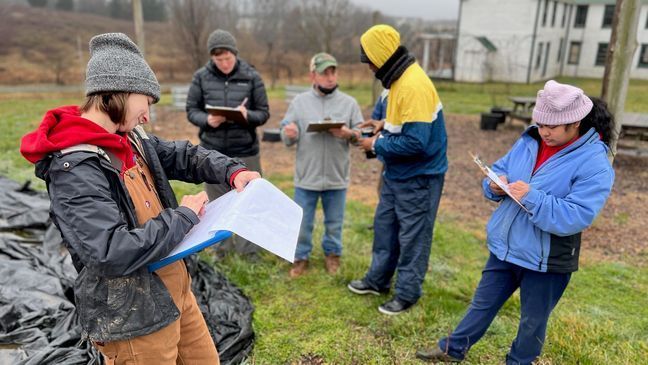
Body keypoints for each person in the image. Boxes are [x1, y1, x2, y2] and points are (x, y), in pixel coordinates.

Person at [19, 33, 260, 365]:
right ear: (117, 93)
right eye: (146, 101)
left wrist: (232, 171)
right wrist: (184, 216)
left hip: (177, 292)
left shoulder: (130, 139)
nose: (147, 115)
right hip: (134, 317)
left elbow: (184, 155)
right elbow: (109, 252)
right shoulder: (75, 169)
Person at [415, 80, 615, 364]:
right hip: (506, 245)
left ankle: (518, 361)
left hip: (547, 260)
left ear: (575, 122)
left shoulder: (595, 162)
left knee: (532, 322)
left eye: (552, 127)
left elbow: (578, 215)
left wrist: (532, 197)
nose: (544, 131)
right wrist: (493, 184)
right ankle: (452, 349)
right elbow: (500, 169)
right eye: (541, 123)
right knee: (481, 304)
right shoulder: (530, 139)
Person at [348, 24, 448, 315]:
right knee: (385, 229)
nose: (368, 67)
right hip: (396, 175)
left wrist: (375, 146)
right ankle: (378, 280)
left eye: (369, 60)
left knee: (412, 238)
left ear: (381, 56)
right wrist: (382, 126)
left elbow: (416, 142)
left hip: (420, 178)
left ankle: (406, 293)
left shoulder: (413, 86)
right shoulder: (397, 81)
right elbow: (401, 127)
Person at [280, 52, 364, 278]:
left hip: (336, 177)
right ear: (312, 76)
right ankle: (300, 257)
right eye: (324, 73)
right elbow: (286, 134)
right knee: (303, 223)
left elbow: (362, 135)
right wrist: (290, 133)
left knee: (335, 222)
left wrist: (348, 134)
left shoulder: (349, 103)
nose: (329, 77)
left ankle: (333, 255)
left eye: (333, 72)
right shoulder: (299, 103)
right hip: (307, 176)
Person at [186, 29, 269, 255]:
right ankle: (221, 251)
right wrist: (207, 120)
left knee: (248, 203)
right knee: (216, 204)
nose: (224, 63)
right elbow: (192, 110)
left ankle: (249, 253)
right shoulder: (201, 77)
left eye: (228, 58)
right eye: (218, 59)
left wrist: (246, 116)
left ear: (235, 54)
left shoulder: (251, 76)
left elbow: (263, 113)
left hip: (245, 150)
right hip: (212, 151)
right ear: (212, 58)